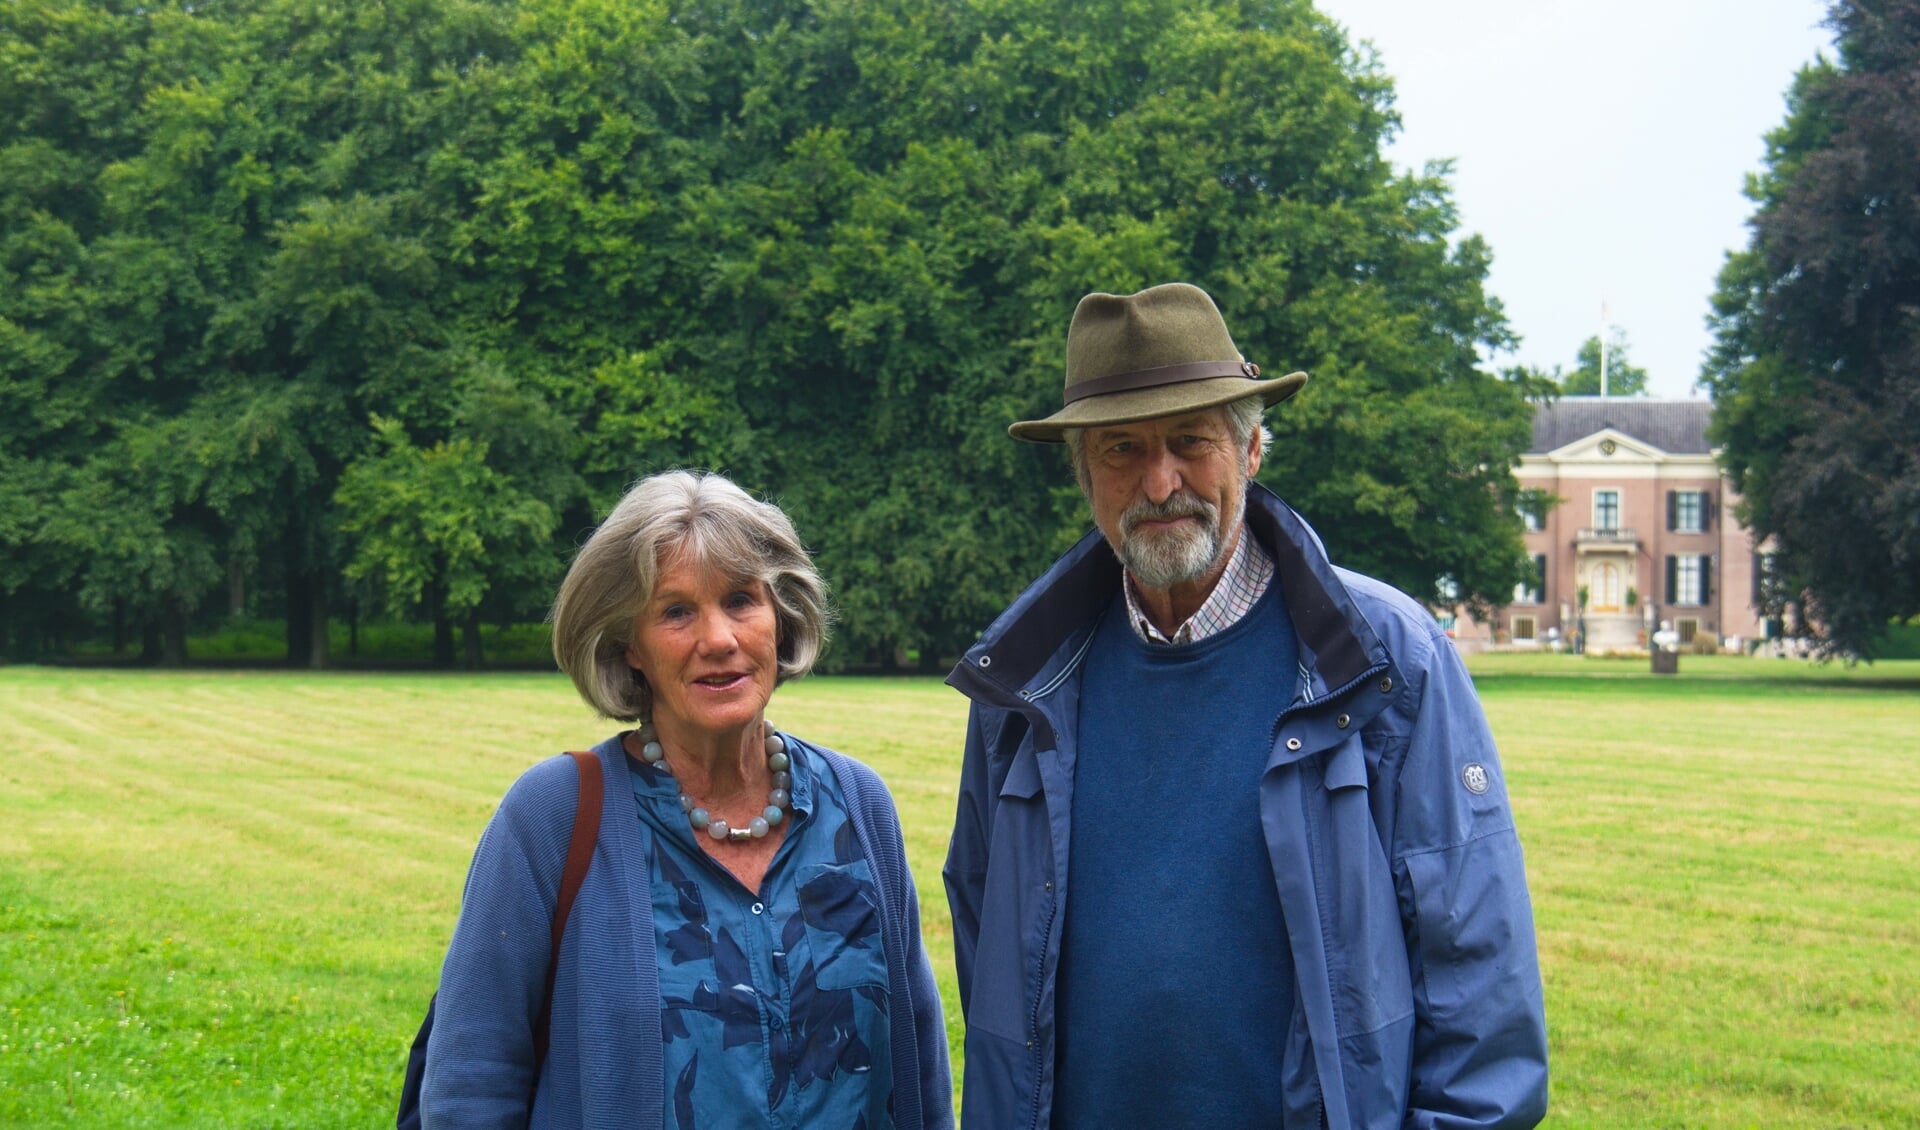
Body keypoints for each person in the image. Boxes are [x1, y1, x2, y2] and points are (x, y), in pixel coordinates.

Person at [944, 283, 1548, 1128]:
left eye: (1190, 442)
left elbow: (1478, 978)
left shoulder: (1388, 659)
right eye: (1122, 450)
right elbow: (989, 947)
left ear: (1252, 447)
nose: (1160, 482)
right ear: (1083, 474)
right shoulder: (1024, 683)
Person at [422, 470, 952, 1129]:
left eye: (740, 601)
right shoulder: (552, 817)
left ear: (779, 618)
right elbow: (470, 1088)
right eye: (676, 611)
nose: (719, 639)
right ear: (629, 646)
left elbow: (921, 1074)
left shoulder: (859, 806)